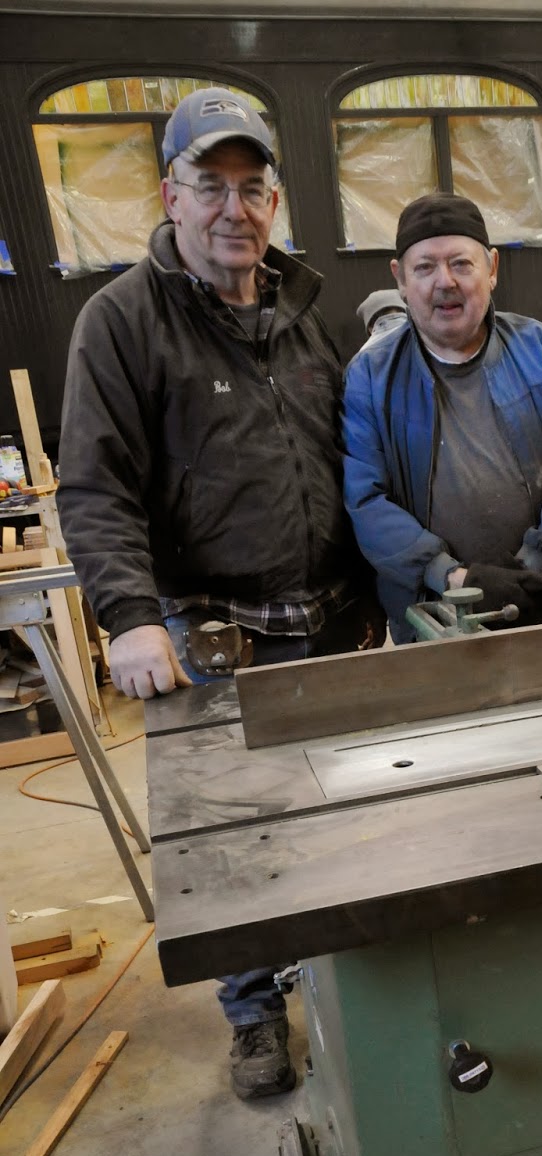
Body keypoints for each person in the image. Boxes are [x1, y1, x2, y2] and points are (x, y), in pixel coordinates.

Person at [57, 87, 384, 1101]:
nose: (232, 210)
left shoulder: (304, 314)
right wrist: (128, 615)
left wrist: (379, 588)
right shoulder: (121, 322)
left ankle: (342, 986)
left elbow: (346, 461)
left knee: (336, 816)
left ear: (274, 202)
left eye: (252, 188)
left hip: (329, 616)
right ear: (171, 196)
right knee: (238, 837)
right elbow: (94, 484)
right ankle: (253, 1012)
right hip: (214, 634)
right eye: (210, 186)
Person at [342, 193, 542, 642]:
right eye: (424, 268)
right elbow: (365, 500)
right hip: (430, 619)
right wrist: (453, 577)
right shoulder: (370, 378)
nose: (444, 282)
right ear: (401, 280)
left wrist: (533, 564)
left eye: (461, 264)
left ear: (492, 268)